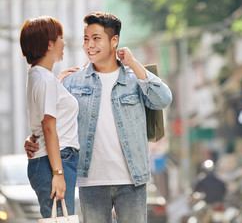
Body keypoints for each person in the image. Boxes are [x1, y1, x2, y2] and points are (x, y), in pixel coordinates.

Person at [25, 12, 172, 223]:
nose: (89, 45)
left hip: (132, 180)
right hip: (90, 181)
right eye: (86, 39)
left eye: (96, 38)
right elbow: (49, 119)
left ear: (114, 41)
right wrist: (32, 140)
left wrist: (133, 63)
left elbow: (163, 100)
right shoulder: (72, 81)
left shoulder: (134, 79)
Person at [20, 16, 80, 217]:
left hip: (51, 160)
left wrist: (57, 82)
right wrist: (58, 173)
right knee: (61, 219)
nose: (64, 43)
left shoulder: (39, 76)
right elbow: (47, 127)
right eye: (60, 37)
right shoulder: (45, 80)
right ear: (49, 44)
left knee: (59, 218)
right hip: (55, 161)